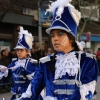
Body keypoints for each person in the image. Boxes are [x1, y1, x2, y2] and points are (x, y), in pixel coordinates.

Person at [17, 0, 98, 100]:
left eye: (60, 34)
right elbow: (32, 92)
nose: (55, 38)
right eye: (53, 35)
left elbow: (86, 90)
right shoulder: (45, 63)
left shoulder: (87, 61)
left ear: (71, 38)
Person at [0, 26, 42, 100]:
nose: (19, 52)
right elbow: (9, 71)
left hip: (28, 93)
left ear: (27, 52)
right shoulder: (14, 62)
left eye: (21, 50)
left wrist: (24, 71)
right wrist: (4, 69)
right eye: (17, 50)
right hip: (16, 92)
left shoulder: (31, 63)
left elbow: (36, 78)